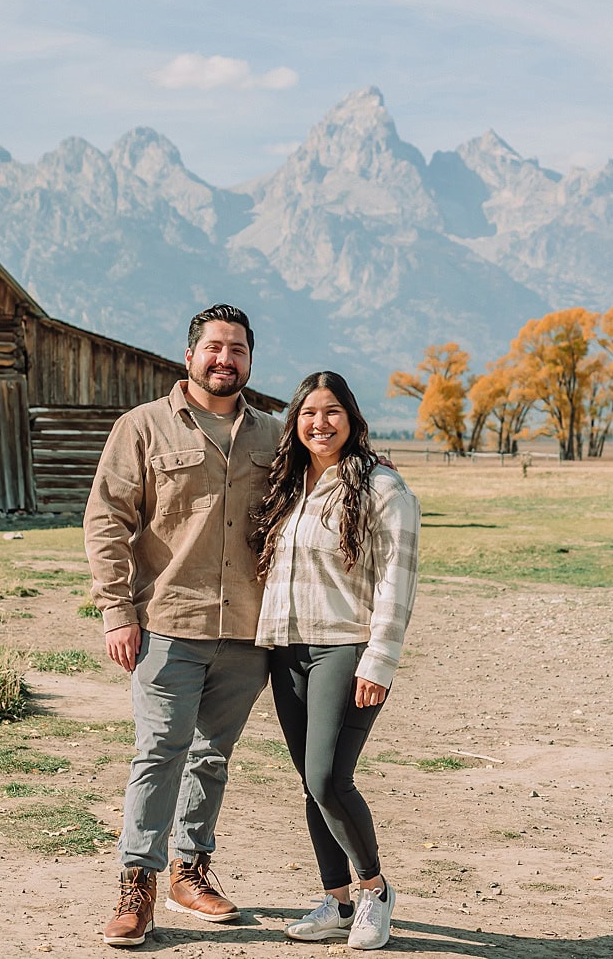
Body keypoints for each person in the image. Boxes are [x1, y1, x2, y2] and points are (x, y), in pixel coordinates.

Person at [85, 304, 284, 948]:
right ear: (190, 354)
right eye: (215, 347)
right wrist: (117, 611)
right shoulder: (141, 428)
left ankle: (189, 871)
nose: (226, 359)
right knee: (158, 754)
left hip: (248, 630)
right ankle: (136, 884)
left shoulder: (273, 436)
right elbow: (106, 520)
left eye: (239, 350)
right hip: (167, 623)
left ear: (251, 360)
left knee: (212, 757)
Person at [251, 371, 420, 950]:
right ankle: (336, 902)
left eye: (332, 412)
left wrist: (380, 661)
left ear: (352, 419)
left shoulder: (381, 488)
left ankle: (374, 890)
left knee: (328, 778)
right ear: (294, 422)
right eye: (307, 414)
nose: (319, 424)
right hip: (287, 649)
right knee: (309, 781)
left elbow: (397, 581)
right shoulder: (287, 487)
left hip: (344, 648)